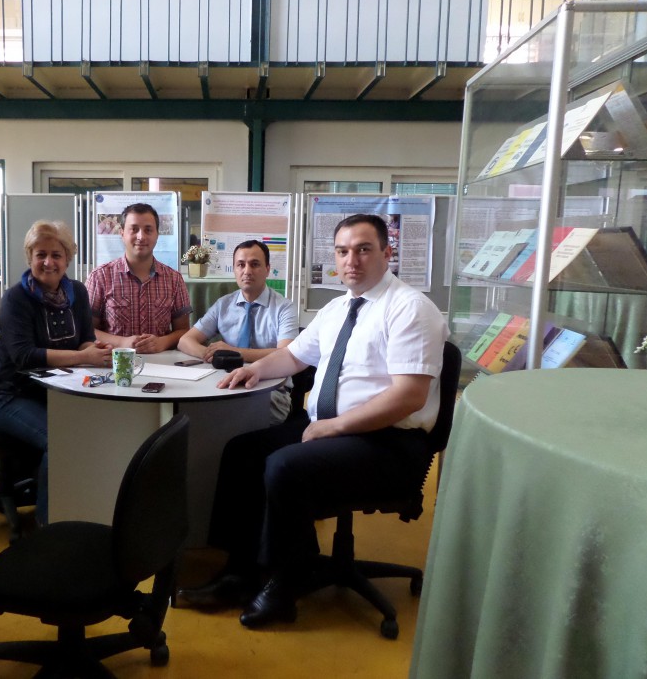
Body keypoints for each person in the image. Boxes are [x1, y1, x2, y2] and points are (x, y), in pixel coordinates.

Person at [177, 214, 449, 628]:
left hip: (387, 442)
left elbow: (409, 396)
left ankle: (281, 586)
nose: (351, 260)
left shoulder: (410, 308)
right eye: (342, 251)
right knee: (242, 452)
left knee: (285, 466)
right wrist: (255, 369)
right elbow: (293, 356)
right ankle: (239, 572)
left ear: (387, 253)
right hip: (331, 429)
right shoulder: (337, 308)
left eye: (363, 249)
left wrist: (333, 427)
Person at [0, 220, 113, 525]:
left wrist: (96, 350)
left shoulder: (77, 292)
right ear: (30, 257)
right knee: (61, 439)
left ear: (68, 259)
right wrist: (84, 357)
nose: (48, 262)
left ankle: (83, 509)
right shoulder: (16, 298)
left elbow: (84, 339)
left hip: (52, 389)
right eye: (41, 254)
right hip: (6, 395)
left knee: (95, 428)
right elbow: (24, 356)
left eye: (56, 255)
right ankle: (48, 526)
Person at [178, 239, 299, 423]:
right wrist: (214, 355)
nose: (247, 271)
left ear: (267, 269)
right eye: (241, 265)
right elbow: (185, 341)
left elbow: (287, 353)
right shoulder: (223, 304)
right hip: (226, 385)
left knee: (218, 419)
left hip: (269, 391)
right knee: (191, 412)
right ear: (234, 269)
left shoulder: (284, 308)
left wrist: (235, 353)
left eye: (255, 264)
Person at [86, 202, 192, 354]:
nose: (141, 237)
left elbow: (183, 331)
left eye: (148, 230)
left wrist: (162, 342)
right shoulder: (99, 277)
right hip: (115, 362)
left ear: (157, 235)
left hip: (162, 363)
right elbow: (87, 331)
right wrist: (122, 342)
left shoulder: (174, 279)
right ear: (122, 233)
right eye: (134, 229)